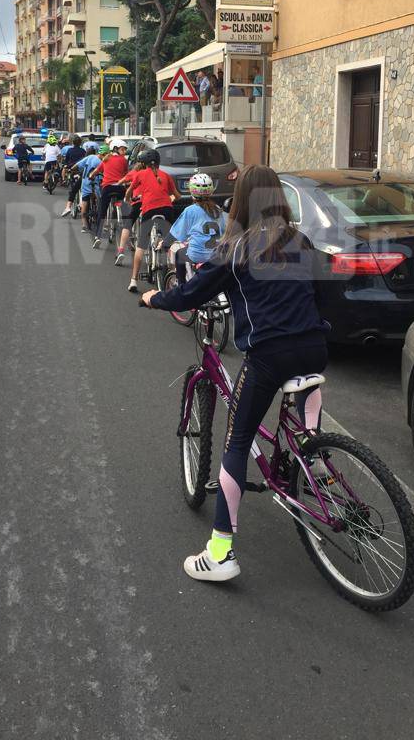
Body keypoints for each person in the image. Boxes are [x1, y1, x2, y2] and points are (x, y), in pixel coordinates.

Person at [142, 164, 330, 583]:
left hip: (269, 355)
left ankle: (220, 551)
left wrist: (155, 298)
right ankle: (313, 454)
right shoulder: (301, 241)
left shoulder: (238, 248)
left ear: (240, 201)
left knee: (238, 441)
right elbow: (323, 290)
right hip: (314, 346)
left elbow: (192, 292)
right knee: (305, 379)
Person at [125, 148, 177, 293]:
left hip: (149, 210)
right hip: (167, 210)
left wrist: (128, 199)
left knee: (141, 245)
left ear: (144, 164)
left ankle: (133, 280)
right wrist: (170, 198)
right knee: (170, 241)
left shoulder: (140, 174)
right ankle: (173, 277)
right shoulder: (166, 175)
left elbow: (130, 191)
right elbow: (176, 195)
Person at [163, 173, 226, 282]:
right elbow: (223, 231)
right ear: (211, 191)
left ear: (192, 191)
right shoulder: (217, 209)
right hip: (216, 254)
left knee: (180, 254)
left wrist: (165, 244)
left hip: (198, 254)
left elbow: (177, 232)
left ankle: (182, 288)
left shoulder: (190, 210)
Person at [90, 138, 129, 248]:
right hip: (120, 188)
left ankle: (98, 236)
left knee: (102, 212)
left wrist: (91, 175)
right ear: (116, 149)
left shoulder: (106, 159)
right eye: (123, 149)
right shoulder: (124, 160)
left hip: (107, 188)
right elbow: (126, 174)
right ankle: (122, 222)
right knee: (123, 206)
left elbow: (96, 171)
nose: (124, 152)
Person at [60, 140, 100, 220]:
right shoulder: (96, 158)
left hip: (83, 176)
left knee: (74, 190)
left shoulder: (75, 153)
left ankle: (68, 207)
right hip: (96, 179)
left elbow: (73, 164)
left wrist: (69, 169)